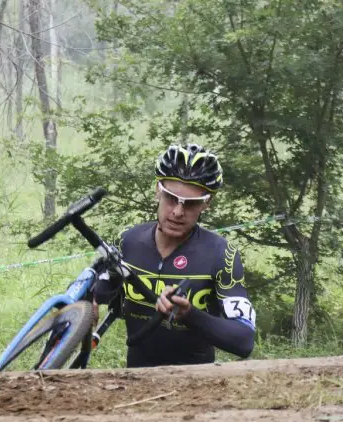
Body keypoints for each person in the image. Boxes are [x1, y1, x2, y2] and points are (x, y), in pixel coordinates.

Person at [93, 143, 256, 367]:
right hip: (134, 380)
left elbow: (244, 339)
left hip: (195, 385)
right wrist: (89, 300)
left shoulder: (221, 254)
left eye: (191, 204)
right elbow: (99, 287)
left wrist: (190, 315)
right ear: (157, 190)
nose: (178, 212)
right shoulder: (127, 240)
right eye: (171, 198)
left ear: (207, 203)